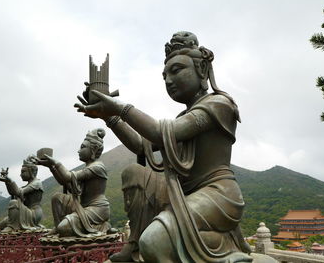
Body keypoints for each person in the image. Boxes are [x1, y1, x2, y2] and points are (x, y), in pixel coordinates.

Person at [75, 32, 252, 262]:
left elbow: (160, 132)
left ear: (201, 70)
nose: (168, 80)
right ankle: (134, 242)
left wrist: (120, 108)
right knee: (135, 173)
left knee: (155, 241)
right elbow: (140, 146)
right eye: (164, 75)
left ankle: (213, 242)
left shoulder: (219, 104)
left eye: (176, 70)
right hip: (184, 192)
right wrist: (108, 117)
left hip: (217, 194)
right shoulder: (184, 116)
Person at [34, 129, 110, 237]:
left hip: (97, 209)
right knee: (57, 198)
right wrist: (51, 167)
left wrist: (56, 162)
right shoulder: (88, 167)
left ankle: (101, 226)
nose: (79, 151)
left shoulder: (97, 167)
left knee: (63, 228)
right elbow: (65, 182)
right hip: (83, 206)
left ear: (94, 149)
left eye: (82, 147)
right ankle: (60, 228)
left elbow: (68, 176)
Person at [0, 156, 44, 232]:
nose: (20, 174)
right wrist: (7, 182)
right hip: (25, 211)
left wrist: (10, 180)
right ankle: (11, 225)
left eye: (23, 172)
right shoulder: (27, 185)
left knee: (14, 202)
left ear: (31, 172)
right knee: (1, 224)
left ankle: (12, 227)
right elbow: (13, 192)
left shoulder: (37, 183)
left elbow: (18, 192)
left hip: (33, 213)